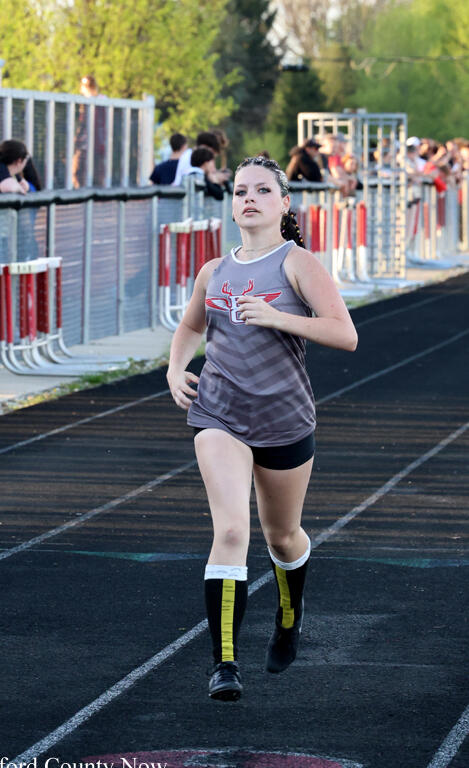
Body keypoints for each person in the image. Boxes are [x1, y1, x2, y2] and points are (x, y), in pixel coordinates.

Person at [166, 155, 358, 701]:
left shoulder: (298, 264)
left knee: (282, 535)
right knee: (230, 531)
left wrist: (278, 316)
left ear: (283, 202)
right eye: (239, 191)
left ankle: (288, 617)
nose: (247, 199)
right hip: (219, 413)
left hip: (284, 418)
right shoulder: (214, 270)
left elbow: (345, 335)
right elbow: (190, 325)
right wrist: (177, 368)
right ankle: (224, 664)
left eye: (259, 191)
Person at [72, 75, 107, 188]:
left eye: (88, 85)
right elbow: (81, 124)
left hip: (98, 143)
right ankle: (81, 194)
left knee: (98, 173)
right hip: (83, 144)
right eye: (84, 85)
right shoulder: (81, 102)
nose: (85, 88)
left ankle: (100, 198)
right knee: (77, 171)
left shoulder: (102, 101)